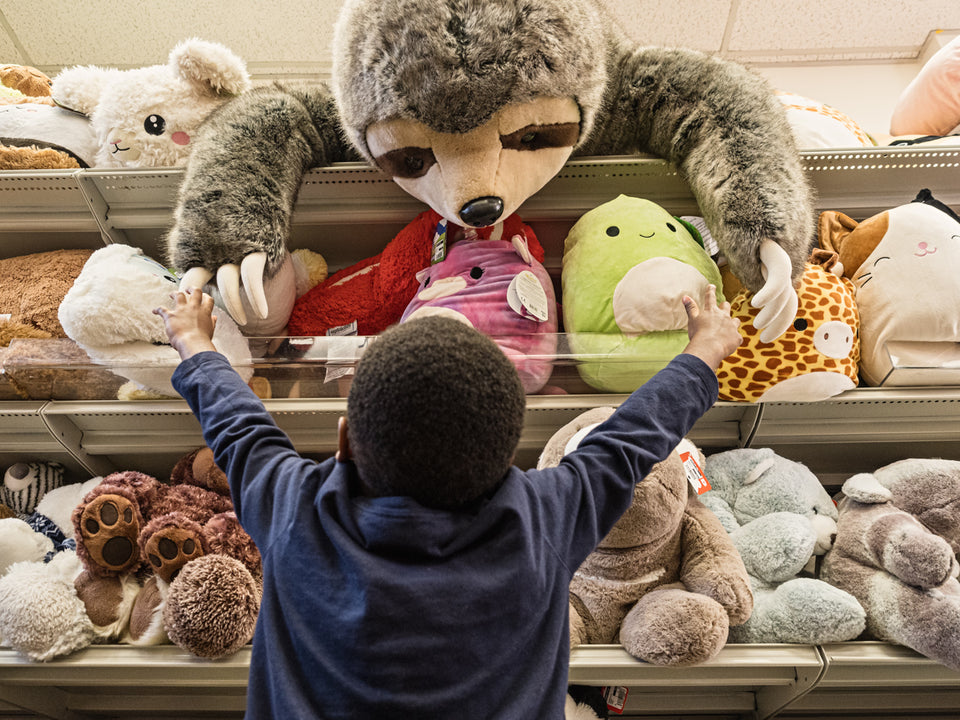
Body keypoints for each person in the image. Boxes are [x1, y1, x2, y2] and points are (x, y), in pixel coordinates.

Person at [155, 284, 741, 720]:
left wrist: (194, 340)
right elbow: (630, 440)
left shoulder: (294, 508)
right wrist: (706, 347)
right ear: (507, 455)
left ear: (343, 440)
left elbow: (237, 425)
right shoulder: (543, 520)